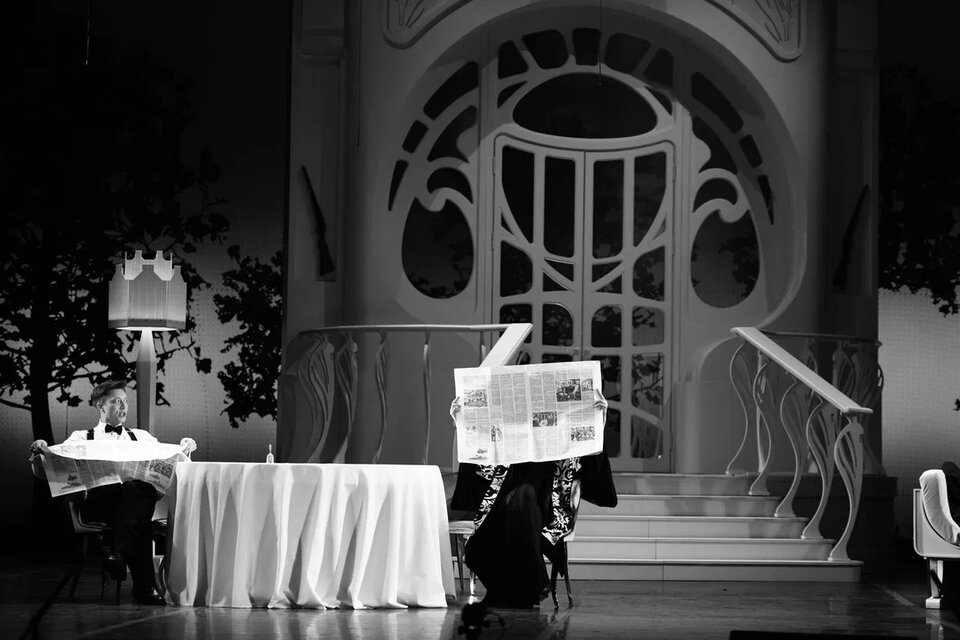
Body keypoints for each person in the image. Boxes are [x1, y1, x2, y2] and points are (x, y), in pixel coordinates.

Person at [29, 380, 197, 606]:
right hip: (100, 506)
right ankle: (144, 588)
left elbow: (170, 458)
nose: (123, 406)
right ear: (100, 406)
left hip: (132, 507)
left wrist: (185, 447)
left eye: (125, 401)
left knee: (135, 496)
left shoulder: (141, 437)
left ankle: (116, 553)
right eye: (116, 401)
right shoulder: (82, 437)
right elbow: (51, 466)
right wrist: (40, 450)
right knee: (138, 513)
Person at [449, 390, 617, 608]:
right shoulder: (509, 430)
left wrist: (598, 420)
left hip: (549, 506)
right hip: (503, 503)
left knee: (524, 497)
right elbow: (478, 463)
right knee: (520, 498)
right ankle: (532, 586)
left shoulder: (561, 428)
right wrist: (460, 422)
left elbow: (589, 459)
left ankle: (520, 590)